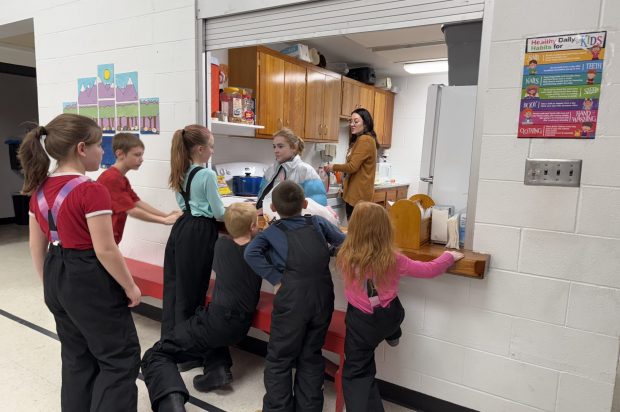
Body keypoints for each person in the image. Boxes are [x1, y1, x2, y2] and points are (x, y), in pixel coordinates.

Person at [19, 114, 141, 411]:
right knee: (119, 358)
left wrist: (50, 283)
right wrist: (130, 286)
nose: (104, 152)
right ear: (82, 148)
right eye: (100, 145)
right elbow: (105, 250)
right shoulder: (91, 189)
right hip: (88, 275)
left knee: (77, 358)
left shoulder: (38, 188)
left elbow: (37, 245)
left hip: (56, 274)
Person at [336, 202, 464, 412]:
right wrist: (449, 256)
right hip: (390, 317)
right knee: (391, 309)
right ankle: (393, 335)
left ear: (354, 229)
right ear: (385, 229)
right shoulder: (394, 259)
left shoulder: (345, 256)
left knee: (356, 373)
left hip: (361, 324)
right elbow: (429, 270)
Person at [141, 202, 263, 412]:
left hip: (217, 321)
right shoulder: (259, 250)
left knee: (155, 355)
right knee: (206, 325)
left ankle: (171, 404)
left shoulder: (222, 246)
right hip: (241, 324)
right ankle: (217, 368)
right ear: (254, 226)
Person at [245, 181, 345, 412]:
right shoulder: (318, 222)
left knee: (280, 357)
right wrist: (326, 250)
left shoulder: (271, 232)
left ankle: (278, 408)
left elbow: (251, 253)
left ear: (272, 207)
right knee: (311, 354)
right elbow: (342, 242)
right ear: (305, 203)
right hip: (322, 297)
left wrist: (276, 278)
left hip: (292, 300)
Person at [162, 125, 225, 371]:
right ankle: (188, 354)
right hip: (200, 232)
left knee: (176, 289)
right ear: (200, 149)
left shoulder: (180, 171)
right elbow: (219, 212)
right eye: (211, 146)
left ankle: (172, 346)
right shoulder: (207, 175)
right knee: (193, 292)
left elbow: (184, 204)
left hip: (181, 228)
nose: (212, 151)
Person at [97, 132, 181, 244]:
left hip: (111, 237)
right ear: (120, 154)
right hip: (103, 239)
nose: (141, 159)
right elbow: (132, 210)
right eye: (137, 155)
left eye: (141, 155)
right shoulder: (111, 178)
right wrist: (164, 221)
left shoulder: (121, 178)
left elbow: (137, 202)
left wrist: (166, 215)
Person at [323, 108, 378, 219]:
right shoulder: (360, 139)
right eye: (351, 121)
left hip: (359, 197)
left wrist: (333, 167)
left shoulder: (365, 140)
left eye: (356, 121)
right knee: (355, 231)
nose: (352, 124)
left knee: (356, 232)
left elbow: (352, 167)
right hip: (357, 195)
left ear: (366, 123)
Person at [256, 127, 327, 210]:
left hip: (297, 221)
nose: (276, 150)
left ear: (294, 147)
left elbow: (318, 205)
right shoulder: (270, 170)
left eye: (280, 146)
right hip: (269, 219)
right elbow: (262, 198)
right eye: (274, 147)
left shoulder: (306, 171)